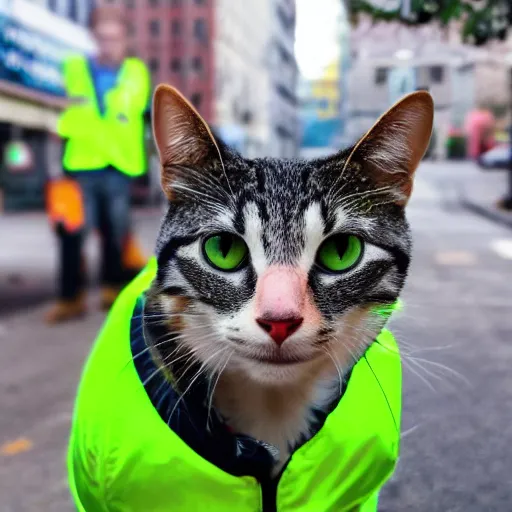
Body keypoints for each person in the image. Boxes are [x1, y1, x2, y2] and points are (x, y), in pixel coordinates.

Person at [45, 6, 151, 324]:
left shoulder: (136, 72)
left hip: (118, 164)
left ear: (125, 40)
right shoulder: (73, 69)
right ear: (94, 38)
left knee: (115, 230)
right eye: (102, 38)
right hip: (80, 163)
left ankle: (111, 290)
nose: (108, 45)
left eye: (114, 38)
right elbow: (60, 109)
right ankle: (70, 297)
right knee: (72, 232)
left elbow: (133, 108)